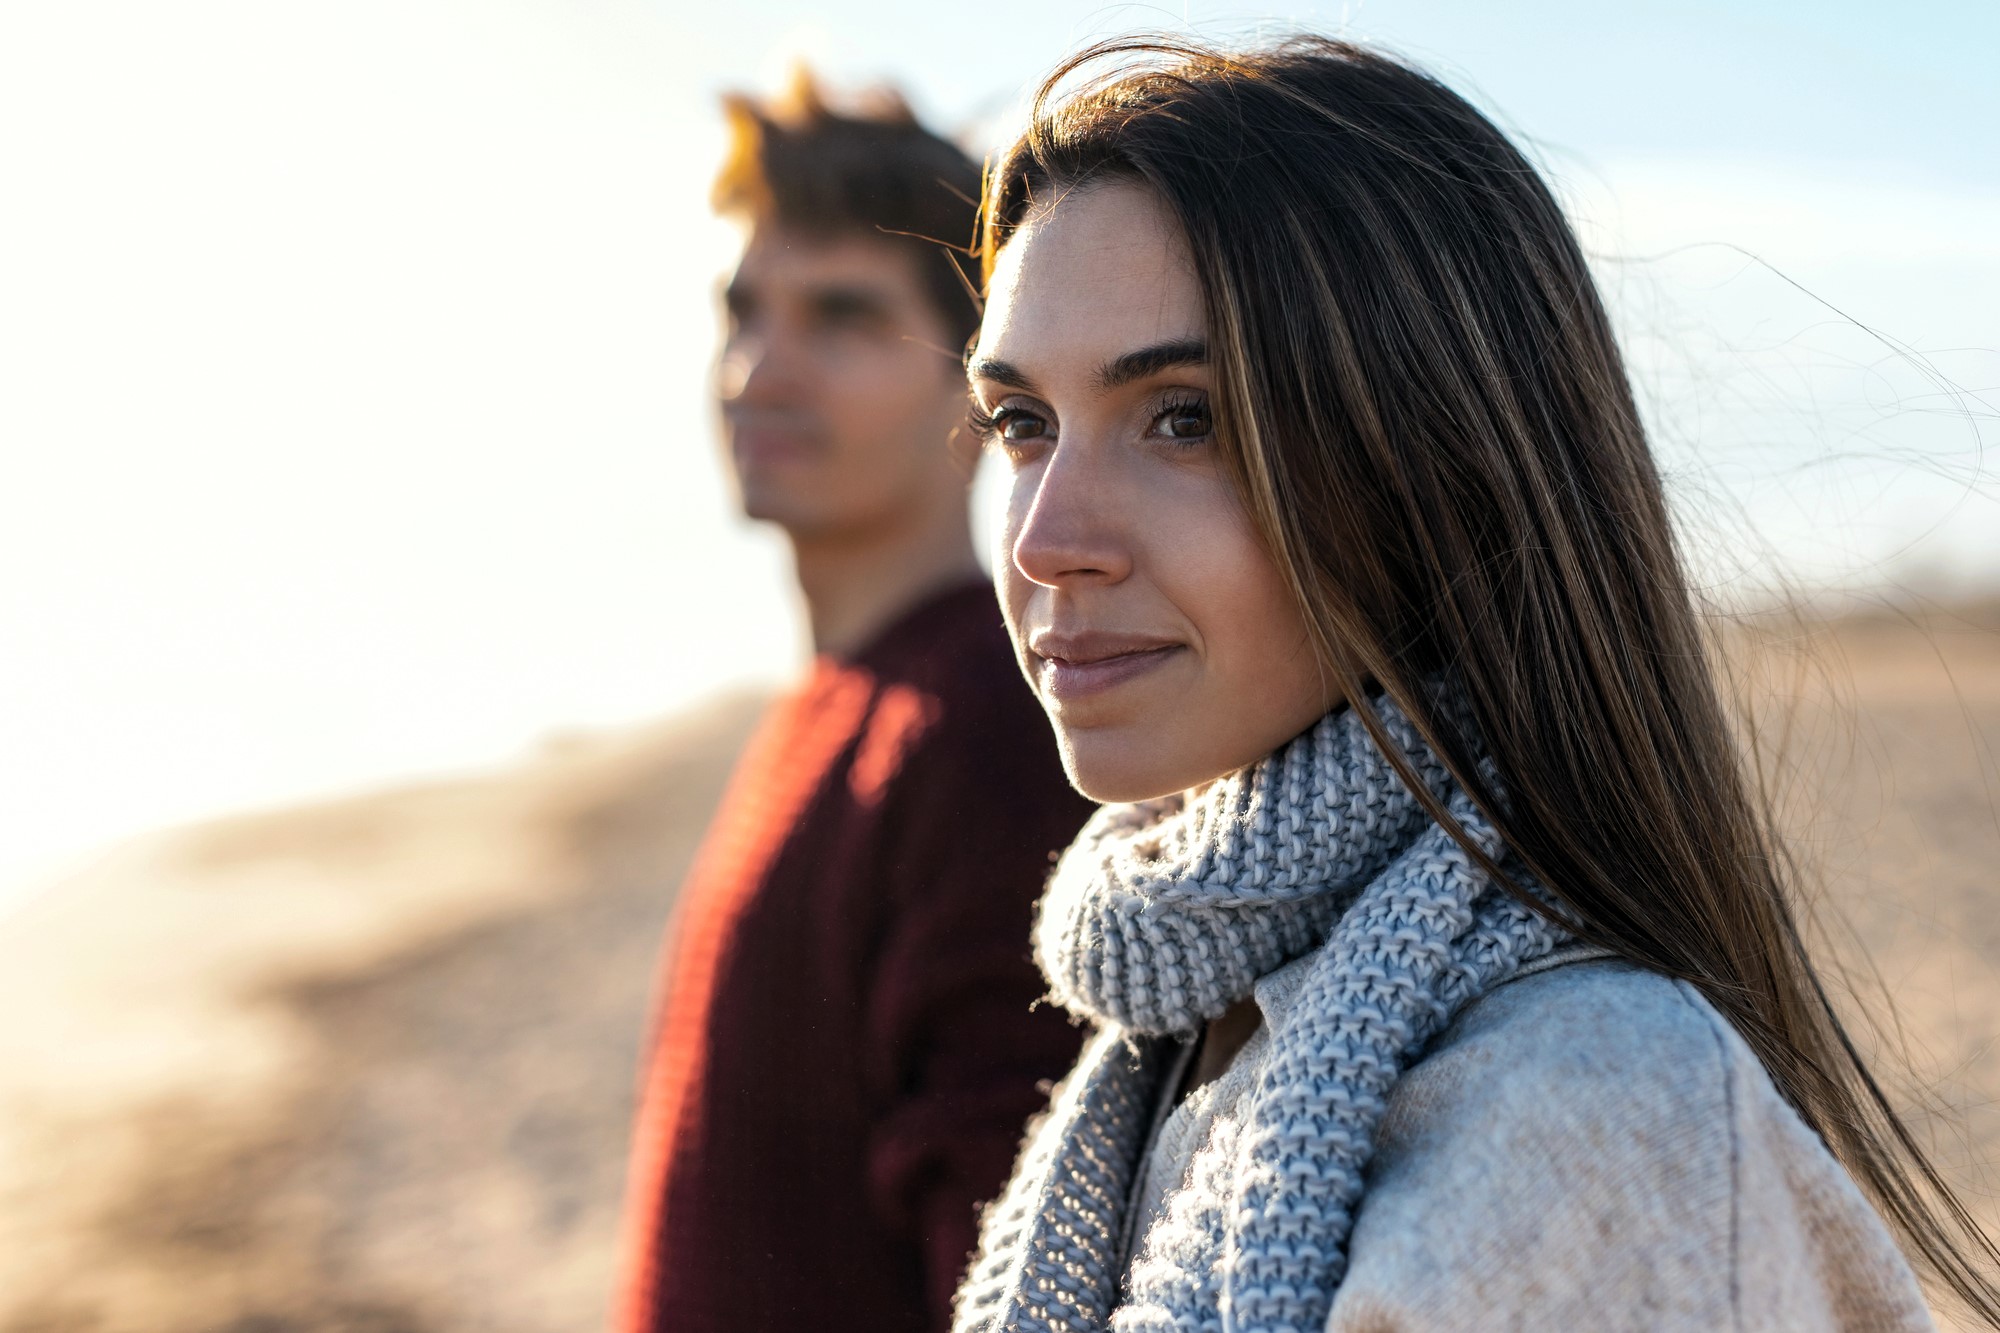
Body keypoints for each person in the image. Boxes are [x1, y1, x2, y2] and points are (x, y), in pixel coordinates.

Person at [951, 36, 2000, 1332]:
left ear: (1432, 466)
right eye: (1021, 424)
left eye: (1187, 418)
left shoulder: (1595, 1111)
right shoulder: (1176, 1035)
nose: (1050, 537)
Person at [614, 72, 1093, 1333]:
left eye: (839, 316)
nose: (761, 368)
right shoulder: (832, 711)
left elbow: (1004, 1276)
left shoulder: (984, 740)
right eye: (742, 310)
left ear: (976, 383)